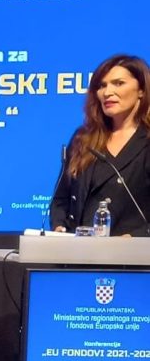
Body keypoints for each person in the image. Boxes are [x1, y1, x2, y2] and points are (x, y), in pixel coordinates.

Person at [50, 54, 150, 236]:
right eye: (102, 86)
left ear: (141, 90)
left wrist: (138, 236)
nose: (107, 92)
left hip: (134, 251)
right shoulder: (84, 139)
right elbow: (61, 198)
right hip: (80, 249)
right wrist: (59, 227)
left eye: (118, 83)